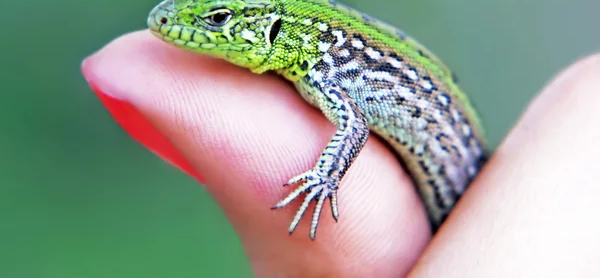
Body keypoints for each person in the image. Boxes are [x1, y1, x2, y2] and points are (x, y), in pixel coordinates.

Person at [82, 30, 600, 277]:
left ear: (274, 32)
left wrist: (325, 179)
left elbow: (351, 124)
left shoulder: (324, 65)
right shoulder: (307, 62)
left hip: (463, 183)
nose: (184, 29)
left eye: (215, 21)